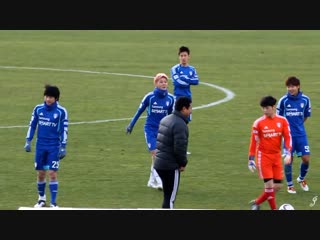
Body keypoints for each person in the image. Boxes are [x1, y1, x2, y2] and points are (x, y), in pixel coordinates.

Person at [126, 73, 175, 190]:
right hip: (150, 129)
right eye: (161, 82)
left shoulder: (170, 99)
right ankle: (159, 182)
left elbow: (170, 116)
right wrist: (131, 125)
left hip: (162, 130)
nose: (163, 84)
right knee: (155, 154)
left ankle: (151, 181)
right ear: (156, 83)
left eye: (165, 81)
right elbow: (139, 111)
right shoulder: (150, 97)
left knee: (156, 157)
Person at [24, 84, 68, 208]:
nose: (48, 99)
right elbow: (32, 125)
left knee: (52, 173)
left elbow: (64, 129)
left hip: (54, 146)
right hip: (40, 146)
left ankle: (53, 202)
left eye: (51, 97)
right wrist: (28, 141)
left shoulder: (61, 112)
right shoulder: (38, 109)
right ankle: (41, 199)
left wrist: (63, 146)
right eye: (47, 96)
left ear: (56, 99)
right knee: (41, 173)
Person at [248, 95, 292, 210]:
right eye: (263, 108)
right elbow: (253, 142)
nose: (264, 110)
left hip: (277, 157)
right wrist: (251, 159)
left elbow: (288, 137)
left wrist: (288, 152)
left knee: (277, 186)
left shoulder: (282, 121)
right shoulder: (258, 123)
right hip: (264, 157)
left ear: (273, 107)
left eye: (267, 108)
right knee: (269, 186)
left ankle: (256, 203)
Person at [154, 96, 192, 209]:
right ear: (184, 109)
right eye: (190, 108)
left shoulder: (165, 119)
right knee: (170, 199)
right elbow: (179, 148)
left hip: (159, 164)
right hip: (170, 166)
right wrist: (182, 164)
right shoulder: (180, 125)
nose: (191, 110)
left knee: (167, 196)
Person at [276, 76, 311, 194]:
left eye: (293, 86)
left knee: (306, 159)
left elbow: (305, 116)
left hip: (301, 135)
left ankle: (301, 179)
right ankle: (290, 185)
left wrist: (298, 126)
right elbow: (278, 118)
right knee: (288, 161)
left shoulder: (305, 100)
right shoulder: (283, 100)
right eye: (288, 86)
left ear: (298, 86)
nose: (290, 89)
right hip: (287, 136)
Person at [170, 46, 199, 155]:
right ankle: (173, 146)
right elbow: (177, 83)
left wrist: (184, 79)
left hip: (188, 99)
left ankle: (183, 148)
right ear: (179, 57)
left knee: (186, 124)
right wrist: (188, 80)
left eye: (185, 56)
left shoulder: (192, 69)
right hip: (177, 98)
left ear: (188, 57)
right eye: (181, 56)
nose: (183, 58)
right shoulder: (174, 69)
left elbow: (196, 81)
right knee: (175, 123)